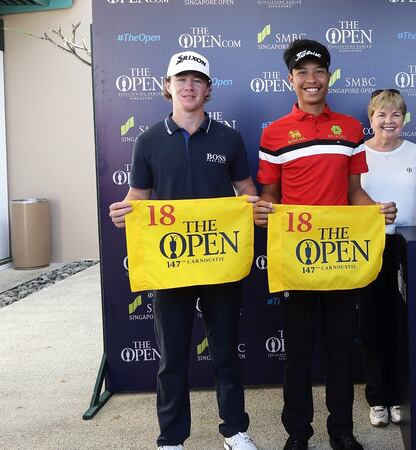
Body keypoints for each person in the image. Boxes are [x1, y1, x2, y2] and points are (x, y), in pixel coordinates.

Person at [108, 51, 264, 450]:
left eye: (197, 80)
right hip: (171, 264)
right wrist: (124, 211)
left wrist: (253, 206)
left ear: (208, 89)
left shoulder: (229, 138)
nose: (189, 86)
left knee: (226, 352)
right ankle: (172, 438)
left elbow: (247, 191)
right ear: (167, 86)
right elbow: (138, 197)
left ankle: (234, 431)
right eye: (181, 79)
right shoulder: (148, 140)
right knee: (171, 358)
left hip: (219, 260)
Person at [254, 39, 397, 450]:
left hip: (339, 257)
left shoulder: (351, 128)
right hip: (297, 261)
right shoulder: (275, 133)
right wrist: (261, 211)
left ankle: (342, 432)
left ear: (329, 77)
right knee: (297, 355)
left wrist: (375, 211)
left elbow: (355, 190)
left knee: (339, 353)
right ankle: (298, 435)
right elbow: (270, 196)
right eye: (303, 73)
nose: (311, 80)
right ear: (291, 80)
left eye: (319, 72)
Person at [357, 89, 416, 427]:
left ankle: (401, 396)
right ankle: (378, 397)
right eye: (381, 115)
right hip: (370, 248)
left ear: (404, 118)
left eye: (396, 115)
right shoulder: (358, 154)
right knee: (373, 324)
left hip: (410, 248)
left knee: (406, 324)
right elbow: (348, 200)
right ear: (370, 118)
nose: (389, 121)